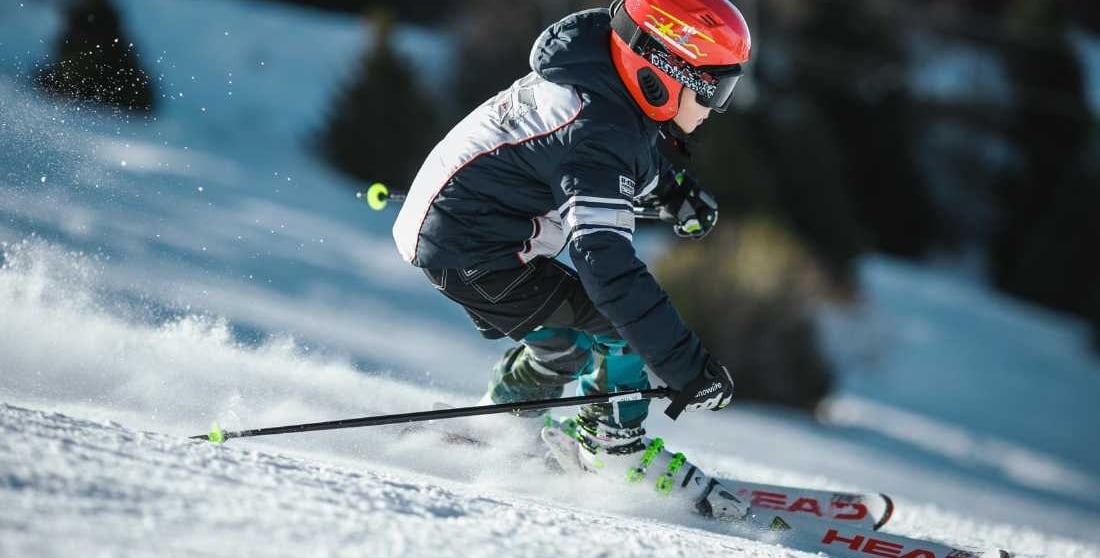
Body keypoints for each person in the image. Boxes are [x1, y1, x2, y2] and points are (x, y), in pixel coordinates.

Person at [393, 0, 751, 510]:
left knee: (566, 342)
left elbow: (624, 154)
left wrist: (672, 192)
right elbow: (608, 270)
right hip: (471, 249)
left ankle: (504, 423)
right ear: (664, 72)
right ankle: (613, 447)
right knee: (615, 324)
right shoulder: (595, 133)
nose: (717, 106)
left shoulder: (600, 83)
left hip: (462, 233)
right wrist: (686, 367)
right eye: (714, 89)